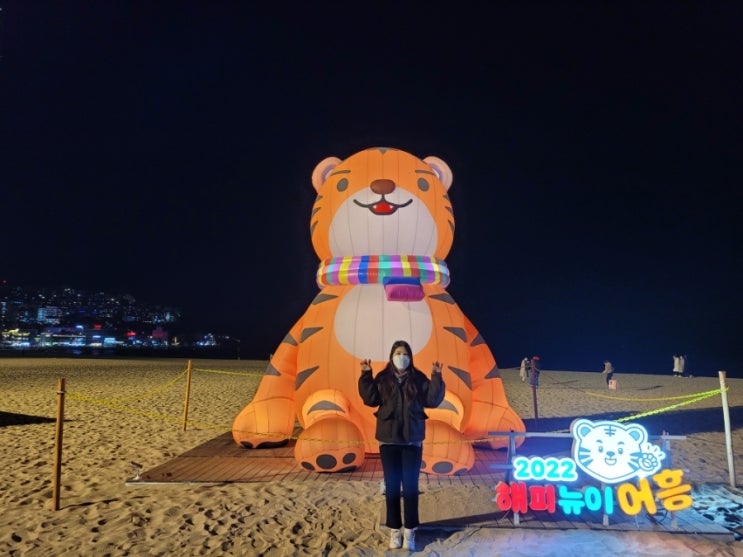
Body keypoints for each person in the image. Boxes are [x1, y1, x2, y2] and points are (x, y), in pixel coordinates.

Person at [358, 340, 445, 551]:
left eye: (405, 353)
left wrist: (436, 377)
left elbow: (432, 400)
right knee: (392, 489)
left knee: (411, 488)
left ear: (410, 356)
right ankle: (395, 531)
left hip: (412, 441)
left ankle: (410, 531)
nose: (401, 356)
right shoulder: (383, 378)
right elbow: (370, 399)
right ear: (391, 355)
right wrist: (366, 375)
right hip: (388, 440)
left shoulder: (418, 377)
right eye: (397, 353)